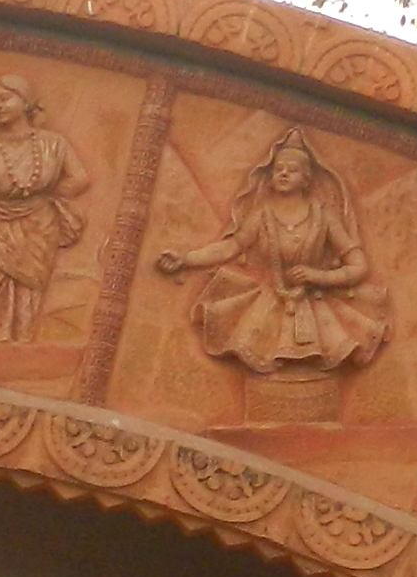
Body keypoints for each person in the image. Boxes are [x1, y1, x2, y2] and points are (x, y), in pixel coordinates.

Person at [154, 128, 391, 395]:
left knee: (315, 386)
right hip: (267, 307)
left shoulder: (323, 217)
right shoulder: (262, 216)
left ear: (307, 179)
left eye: (292, 170)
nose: (284, 174)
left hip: (317, 309)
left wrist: (318, 276)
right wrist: (186, 259)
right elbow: (230, 247)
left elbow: (359, 266)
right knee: (264, 384)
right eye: (279, 169)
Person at [0, 73, 91, 344]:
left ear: (26, 102)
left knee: (28, 291)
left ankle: (20, 347)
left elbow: (80, 178)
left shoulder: (54, 143)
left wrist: (46, 197)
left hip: (39, 228)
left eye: (5, 99)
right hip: (1, 225)